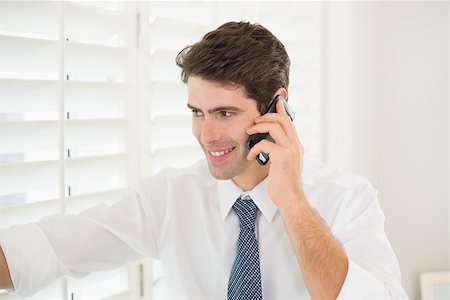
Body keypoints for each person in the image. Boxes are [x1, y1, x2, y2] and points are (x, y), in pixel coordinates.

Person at [0, 21, 407, 299]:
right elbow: (50, 249)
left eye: (225, 113)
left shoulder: (348, 199)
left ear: (276, 106)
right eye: (197, 112)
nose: (206, 135)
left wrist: (294, 203)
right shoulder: (171, 196)